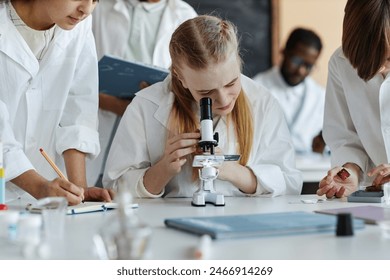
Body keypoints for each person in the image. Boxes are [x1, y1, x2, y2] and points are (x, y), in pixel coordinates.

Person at [103, 15, 302, 198]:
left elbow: (290, 184)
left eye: (231, 83)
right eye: (206, 93)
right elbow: (114, 188)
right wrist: (163, 170)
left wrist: (233, 172)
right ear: (181, 78)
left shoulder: (263, 102)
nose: (224, 100)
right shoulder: (145, 106)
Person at [0, 0, 113, 205]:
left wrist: (79, 190)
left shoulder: (78, 26)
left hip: (44, 197)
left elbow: (78, 106)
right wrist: (38, 186)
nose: (86, 9)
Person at [88, 0, 197, 186]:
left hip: (151, 130)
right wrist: (114, 105)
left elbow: (191, 85)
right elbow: (77, 81)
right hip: (97, 122)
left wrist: (149, 102)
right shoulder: (98, 8)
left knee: (135, 189)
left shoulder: (184, 14)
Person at [317, 0, 390, 198]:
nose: (380, 69)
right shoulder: (341, 63)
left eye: (389, 59)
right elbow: (346, 138)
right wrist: (350, 170)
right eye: (369, 59)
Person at [252, 28, 326, 154]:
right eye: (296, 61)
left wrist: (323, 145)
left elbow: (328, 143)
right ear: (284, 52)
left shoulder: (320, 96)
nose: (301, 71)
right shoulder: (256, 87)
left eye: (308, 66)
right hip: (266, 167)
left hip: (310, 170)